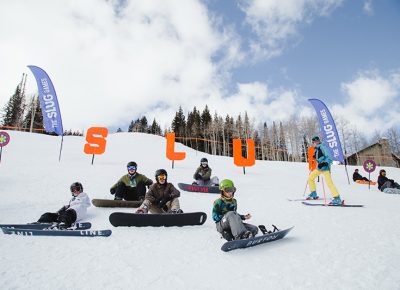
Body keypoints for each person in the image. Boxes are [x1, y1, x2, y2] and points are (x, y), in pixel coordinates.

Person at [307, 135, 343, 205]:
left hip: (325, 168)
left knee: (329, 183)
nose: (313, 144)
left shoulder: (323, 147)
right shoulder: (317, 148)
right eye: (312, 142)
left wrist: (325, 163)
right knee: (310, 178)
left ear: (317, 142)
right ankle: (313, 193)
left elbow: (329, 157)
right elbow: (321, 156)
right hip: (319, 168)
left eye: (313, 142)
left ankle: (337, 198)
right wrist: (316, 157)